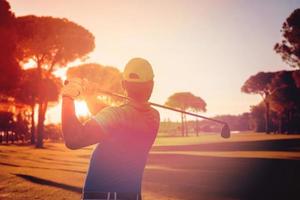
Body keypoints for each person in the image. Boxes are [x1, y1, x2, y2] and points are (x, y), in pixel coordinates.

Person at [61, 58, 160, 200]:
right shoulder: (154, 116)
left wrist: (68, 96)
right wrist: (90, 96)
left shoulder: (117, 116)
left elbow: (73, 139)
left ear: (123, 84)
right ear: (152, 85)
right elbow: (107, 116)